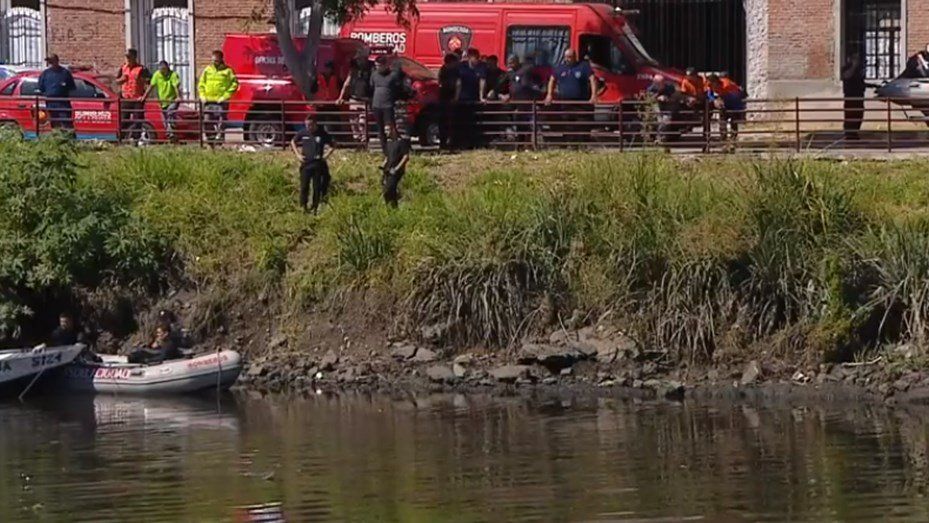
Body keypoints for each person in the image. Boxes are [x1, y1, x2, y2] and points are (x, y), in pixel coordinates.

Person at [544, 48, 597, 143]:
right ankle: (570, 144)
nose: (567, 59)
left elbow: (593, 79)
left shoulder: (583, 66)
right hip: (566, 103)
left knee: (582, 125)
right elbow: (552, 80)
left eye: (570, 57)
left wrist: (593, 95)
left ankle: (582, 144)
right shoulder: (560, 68)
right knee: (568, 124)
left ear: (574, 57)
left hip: (581, 103)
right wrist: (549, 95)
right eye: (566, 57)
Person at [494, 55, 543, 146]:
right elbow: (503, 85)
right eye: (508, 64)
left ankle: (530, 145)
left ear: (516, 61)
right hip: (516, 102)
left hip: (527, 101)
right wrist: (503, 95)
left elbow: (535, 83)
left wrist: (536, 90)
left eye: (511, 63)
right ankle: (519, 145)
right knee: (519, 123)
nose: (509, 66)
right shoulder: (510, 73)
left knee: (529, 125)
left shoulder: (526, 70)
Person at [291, 115, 335, 213]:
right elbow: (293, 141)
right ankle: (303, 207)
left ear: (315, 124)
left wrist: (326, 156)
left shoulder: (322, 133)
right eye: (306, 125)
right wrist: (297, 154)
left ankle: (315, 207)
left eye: (310, 125)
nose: (308, 127)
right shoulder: (303, 133)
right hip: (306, 164)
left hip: (317, 164)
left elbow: (333, 144)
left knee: (317, 187)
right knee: (304, 186)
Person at [198, 50, 239, 145]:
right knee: (207, 121)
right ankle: (210, 140)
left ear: (221, 59)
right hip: (208, 101)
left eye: (216, 60)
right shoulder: (207, 70)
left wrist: (225, 96)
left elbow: (234, 84)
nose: (214, 62)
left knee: (221, 122)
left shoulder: (228, 71)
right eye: (212, 60)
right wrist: (202, 95)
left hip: (220, 101)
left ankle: (219, 141)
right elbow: (201, 83)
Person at [115, 49, 152, 143]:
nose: (127, 59)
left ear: (134, 57)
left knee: (137, 121)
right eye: (126, 57)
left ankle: (135, 139)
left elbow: (151, 83)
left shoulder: (141, 69)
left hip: (137, 99)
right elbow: (116, 81)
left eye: (129, 57)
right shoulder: (123, 68)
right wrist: (122, 80)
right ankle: (121, 140)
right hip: (125, 98)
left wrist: (144, 96)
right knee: (122, 120)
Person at [337, 49, 373, 142]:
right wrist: (341, 97)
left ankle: (364, 140)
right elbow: (347, 83)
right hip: (354, 97)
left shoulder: (371, 68)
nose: (359, 60)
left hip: (366, 99)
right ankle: (357, 139)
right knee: (353, 121)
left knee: (363, 121)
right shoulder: (353, 68)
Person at [143, 60, 181, 142]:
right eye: (161, 70)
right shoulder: (157, 75)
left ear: (167, 68)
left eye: (164, 70)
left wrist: (178, 97)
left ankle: (171, 132)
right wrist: (144, 97)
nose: (162, 72)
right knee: (165, 119)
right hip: (163, 101)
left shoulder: (173, 75)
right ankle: (172, 136)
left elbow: (176, 87)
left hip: (172, 100)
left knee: (170, 111)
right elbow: (151, 86)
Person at [36, 54, 76, 130]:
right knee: (54, 123)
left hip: (63, 103)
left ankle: (68, 139)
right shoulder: (45, 73)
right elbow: (41, 87)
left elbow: (72, 87)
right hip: (51, 102)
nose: (51, 63)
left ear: (57, 61)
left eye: (52, 61)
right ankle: (57, 138)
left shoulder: (65, 73)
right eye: (49, 61)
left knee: (66, 123)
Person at [455, 48, 485, 148]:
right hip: (463, 99)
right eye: (475, 57)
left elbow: (482, 81)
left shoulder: (481, 67)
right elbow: (458, 83)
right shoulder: (462, 67)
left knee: (474, 122)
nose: (477, 60)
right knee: (462, 122)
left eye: (478, 57)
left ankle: (473, 143)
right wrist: (456, 97)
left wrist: (481, 97)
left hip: (474, 99)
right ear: (469, 57)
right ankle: (460, 143)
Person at [369, 56, 399, 154]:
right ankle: (385, 151)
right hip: (377, 105)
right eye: (376, 65)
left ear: (385, 65)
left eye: (379, 66)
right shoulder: (374, 75)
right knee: (380, 129)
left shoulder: (393, 75)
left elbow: (398, 88)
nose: (377, 67)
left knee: (390, 128)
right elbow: (371, 87)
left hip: (388, 105)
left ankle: (395, 147)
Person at [706, 73, 746, 141]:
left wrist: (721, 99)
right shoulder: (710, 85)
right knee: (722, 121)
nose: (710, 86)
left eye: (712, 84)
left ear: (716, 82)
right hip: (724, 105)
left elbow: (735, 96)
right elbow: (709, 94)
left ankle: (733, 139)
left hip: (734, 103)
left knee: (733, 121)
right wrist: (714, 100)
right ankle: (723, 138)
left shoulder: (727, 85)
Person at [380, 124, 411, 207]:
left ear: (393, 130)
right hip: (388, 170)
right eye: (385, 130)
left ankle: (395, 205)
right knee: (386, 191)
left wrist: (397, 168)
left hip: (396, 171)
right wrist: (383, 164)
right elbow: (387, 156)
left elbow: (406, 157)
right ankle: (392, 208)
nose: (386, 132)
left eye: (388, 130)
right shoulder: (388, 143)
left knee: (389, 189)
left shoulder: (401, 142)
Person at [646, 74, 681, 144]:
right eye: (659, 83)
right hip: (657, 105)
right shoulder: (651, 88)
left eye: (663, 82)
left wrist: (667, 98)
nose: (662, 84)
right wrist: (658, 97)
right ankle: (659, 138)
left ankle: (661, 138)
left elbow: (676, 96)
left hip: (668, 106)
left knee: (666, 120)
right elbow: (649, 98)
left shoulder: (670, 87)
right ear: (655, 82)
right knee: (659, 120)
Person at [437, 52, 461, 149]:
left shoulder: (443, 69)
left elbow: (439, 82)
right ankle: (447, 142)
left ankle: (444, 143)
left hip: (444, 97)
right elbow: (458, 84)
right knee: (449, 122)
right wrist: (456, 97)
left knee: (445, 122)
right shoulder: (453, 71)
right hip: (448, 98)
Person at [841, 52, 866, 140]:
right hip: (850, 97)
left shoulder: (859, 70)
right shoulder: (846, 68)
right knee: (851, 115)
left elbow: (860, 82)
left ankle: (855, 132)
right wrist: (853, 66)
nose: (857, 61)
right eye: (855, 59)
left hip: (859, 96)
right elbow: (846, 76)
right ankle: (849, 133)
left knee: (859, 115)